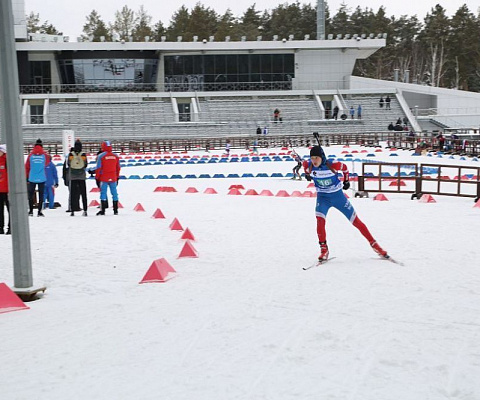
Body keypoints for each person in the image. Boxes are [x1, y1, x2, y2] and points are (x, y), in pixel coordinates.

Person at [303, 145, 389, 261]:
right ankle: (324, 249)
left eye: (316, 158)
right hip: (322, 198)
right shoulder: (308, 166)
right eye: (312, 158)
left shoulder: (333, 164)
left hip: (338, 197)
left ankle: (375, 245)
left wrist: (347, 180)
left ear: (322, 157)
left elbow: (345, 168)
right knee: (320, 222)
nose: (314, 161)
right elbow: (305, 168)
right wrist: (307, 175)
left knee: (356, 221)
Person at [25, 138, 50, 217]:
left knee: (31, 194)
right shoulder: (45, 155)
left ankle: (31, 211)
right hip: (41, 177)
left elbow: (27, 167)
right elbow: (47, 163)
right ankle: (39, 211)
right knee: (41, 195)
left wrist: (27, 177)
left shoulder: (30, 155)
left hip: (32, 177)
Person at [95, 140, 121, 216]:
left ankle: (102, 210)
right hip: (113, 177)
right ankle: (115, 210)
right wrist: (117, 177)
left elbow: (98, 168)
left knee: (103, 193)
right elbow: (118, 167)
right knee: (114, 193)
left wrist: (97, 177)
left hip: (104, 178)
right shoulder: (115, 156)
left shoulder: (101, 156)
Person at [68, 139, 88, 216]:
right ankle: (85, 210)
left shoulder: (71, 154)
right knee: (83, 193)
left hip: (73, 176)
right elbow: (85, 164)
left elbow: (69, 164)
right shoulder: (83, 154)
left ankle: (72, 210)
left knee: (73, 194)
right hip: (82, 176)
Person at [0, 145, 11, 234]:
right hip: (0, 190)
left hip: (8, 190)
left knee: (10, 210)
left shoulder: (7, 160)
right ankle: (0, 228)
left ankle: (11, 227)